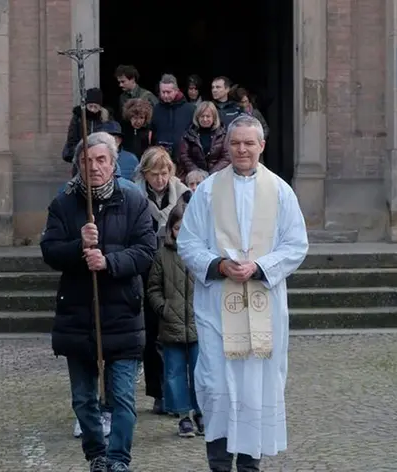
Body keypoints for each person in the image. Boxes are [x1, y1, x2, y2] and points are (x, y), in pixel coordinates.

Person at [177, 115, 309, 472]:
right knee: (217, 388)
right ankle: (218, 465)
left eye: (249, 143)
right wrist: (219, 266)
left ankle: (250, 466)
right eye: (236, 143)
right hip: (217, 309)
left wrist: (260, 267)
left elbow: (296, 244)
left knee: (256, 392)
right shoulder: (206, 191)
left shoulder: (281, 191)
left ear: (261, 146)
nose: (242, 150)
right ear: (227, 146)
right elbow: (187, 242)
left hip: (264, 310)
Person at [40, 131, 157, 472]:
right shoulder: (64, 203)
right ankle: (97, 454)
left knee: (121, 397)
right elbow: (49, 251)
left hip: (121, 313)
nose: (94, 167)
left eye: (101, 160)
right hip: (78, 314)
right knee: (84, 399)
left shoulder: (133, 200)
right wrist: (79, 245)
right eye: (86, 161)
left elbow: (146, 250)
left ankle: (119, 460)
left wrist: (109, 261)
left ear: (113, 164)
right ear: (77, 164)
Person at [132, 146, 190, 415]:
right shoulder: (133, 195)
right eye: (154, 174)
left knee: (176, 334)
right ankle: (158, 392)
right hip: (145, 267)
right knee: (152, 330)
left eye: (165, 173)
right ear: (145, 174)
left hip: (175, 268)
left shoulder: (184, 195)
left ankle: (180, 394)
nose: (160, 179)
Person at [146, 203, 203, 438]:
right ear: (171, 229)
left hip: (199, 324)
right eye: (178, 227)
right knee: (174, 373)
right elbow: (153, 288)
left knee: (201, 372)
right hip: (171, 325)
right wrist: (165, 309)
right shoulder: (163, 255)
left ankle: (202, 412)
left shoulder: (203, 253)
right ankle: (183, 416)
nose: (183, 232)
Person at [177, 101, 231, 179]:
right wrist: (197, 173)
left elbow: (227, 157)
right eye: (202, 116)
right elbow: (184, 156)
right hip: (194, 177)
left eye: (208, 116)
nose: (205, 119)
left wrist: (211, 174)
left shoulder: (223, 134)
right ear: (197, 117)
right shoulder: (188, 134)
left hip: (217, 176)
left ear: (214, 117)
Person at [62, 88, 110, 162]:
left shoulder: (105, 119)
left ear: (100, 107)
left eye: (95, 107)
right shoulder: (78, 117)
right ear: (86, 105)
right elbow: (72, 139)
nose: (92, 110)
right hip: (81, 155)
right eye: (90, 106)